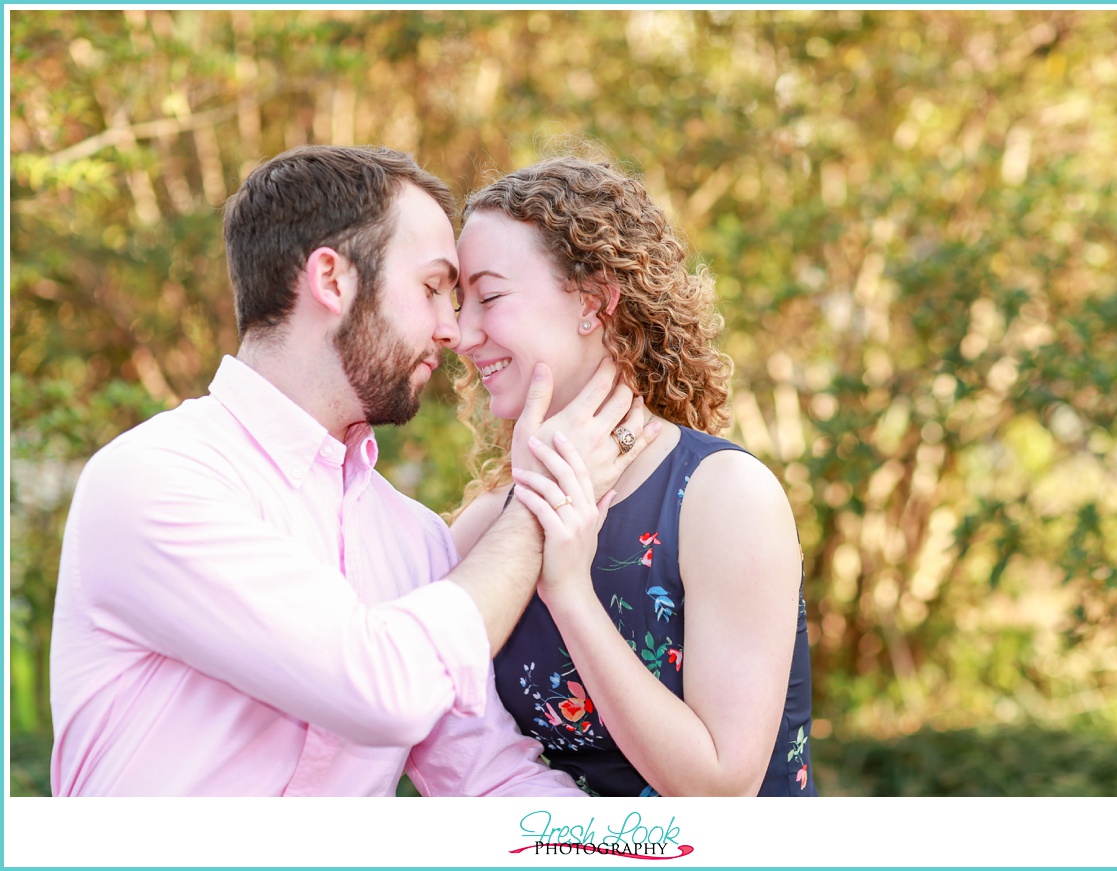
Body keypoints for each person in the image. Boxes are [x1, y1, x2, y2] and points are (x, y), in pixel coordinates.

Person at [48, 144, 655, 796]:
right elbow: (379, 687)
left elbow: (491, 782)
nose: (453, 330)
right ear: (332, 280)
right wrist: (542, 500)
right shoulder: (153, 479)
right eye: (431, 288)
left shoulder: (414, 539)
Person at [449, 155, 818, 797]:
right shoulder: (488, 527)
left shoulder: (723, 498)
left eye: (489, 296)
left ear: (593, 301)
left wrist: (568, 593)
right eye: (458, 301)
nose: (460, 332)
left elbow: (720, 790)